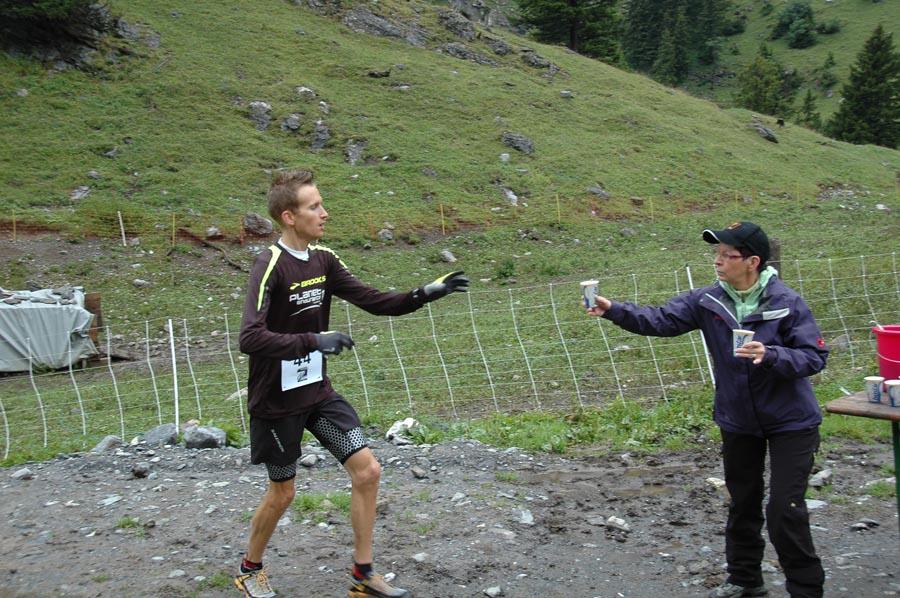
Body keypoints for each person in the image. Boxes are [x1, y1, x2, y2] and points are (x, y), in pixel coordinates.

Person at [236, 168, 469, 598]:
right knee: (283, 493)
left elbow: (374, 301)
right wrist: (314, 340)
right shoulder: (269, 264)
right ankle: (250, 570)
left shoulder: (324, 260)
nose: (324, 213)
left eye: (321, 204)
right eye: (314, 207)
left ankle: (363, 576)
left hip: (316, 392)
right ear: (289, 216)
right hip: (276, 401)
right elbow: (249, 337)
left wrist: (423, 293)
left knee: (368, 470)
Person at [587, 221, 828, 598]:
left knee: (785, 509)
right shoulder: (707, 300)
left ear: (752, 262)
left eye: (727, 255)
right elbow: (660, 319)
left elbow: (814, 357)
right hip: (738, 419)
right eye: (716, 254)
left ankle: (807, 590)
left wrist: (771, 354)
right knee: (743, 502)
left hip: (791, 421)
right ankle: (745, 581)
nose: (717, 261)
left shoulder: (786, 302)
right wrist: (614, 310)